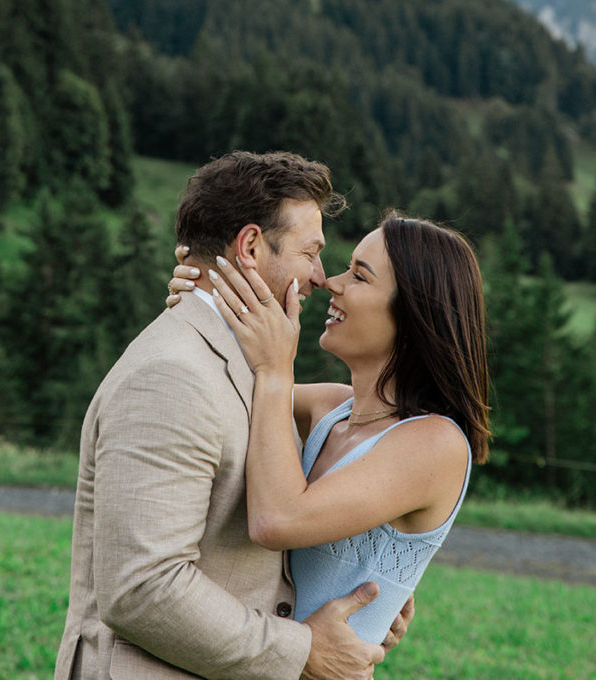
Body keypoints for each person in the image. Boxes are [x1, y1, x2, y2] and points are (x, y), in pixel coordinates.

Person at [55, 151, 413, 680]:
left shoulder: (249, 365)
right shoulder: (172, 375)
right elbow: (142, 588)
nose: (319, 276)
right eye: (310, 253)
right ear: (249, 246)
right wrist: (302, 650)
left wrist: (366, 597)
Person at [168, 208, 490, 644]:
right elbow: (220, 392)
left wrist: (278, 367)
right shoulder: (331, 407)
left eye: (359, 276)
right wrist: (202, 298)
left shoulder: (435, 444)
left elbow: (276, 520)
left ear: (413, 313)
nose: (330, 282)